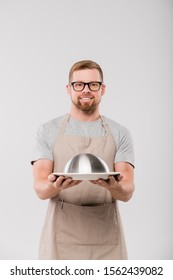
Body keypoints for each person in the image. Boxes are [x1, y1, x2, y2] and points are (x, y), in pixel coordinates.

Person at [31, 59, 135, 260]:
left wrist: (113, 186)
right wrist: (57, 185)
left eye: (93, 84)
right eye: (79, 84)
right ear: (69, 88)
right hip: (59, 239)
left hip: (107, 239)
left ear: (102, 89)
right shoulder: (47, 131)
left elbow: (127, 191)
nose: (86, 90)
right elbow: (41, 189)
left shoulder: (120, 133)